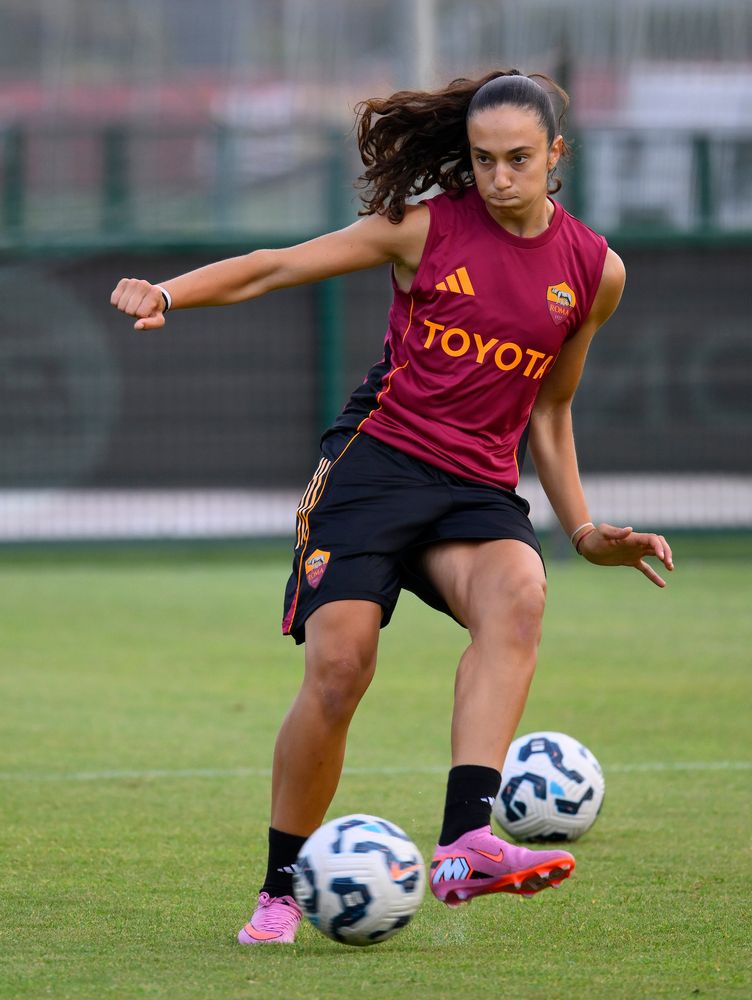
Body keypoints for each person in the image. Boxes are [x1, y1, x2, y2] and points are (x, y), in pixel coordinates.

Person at [111, 69, 673, 945]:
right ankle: (278, 893)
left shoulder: (594, 270)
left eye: (518, 159)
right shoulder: (426, 227)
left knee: (520, 590)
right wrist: (169, 292)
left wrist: (585, 530)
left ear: (556, 155)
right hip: (375, 470)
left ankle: (465, 841)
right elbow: (278, 266)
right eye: (482, 159)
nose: (496, 178)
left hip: (475, 489)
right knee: (341, 671)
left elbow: (551, 411)